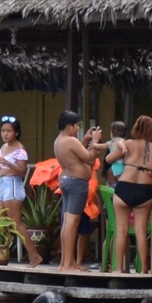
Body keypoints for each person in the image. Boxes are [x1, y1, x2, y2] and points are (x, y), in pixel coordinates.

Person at [0, 115, 42, 266]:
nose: (5, 134)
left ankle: (35, 256)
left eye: (8, 131)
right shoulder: (3, 148)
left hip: (13, 185)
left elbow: (22, 171)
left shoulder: (20, 150)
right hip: (3, 185)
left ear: (16, 133)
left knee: (16, 223)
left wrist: (7, 162)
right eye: (3, 131)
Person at [53, 110, 107, 271]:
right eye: (77, 126)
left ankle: (65, 262)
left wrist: (84, 140)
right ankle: (69, 263)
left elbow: (77, 154)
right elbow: (90, 159)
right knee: (72, 223)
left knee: (67, 223)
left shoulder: (60, 141)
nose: (78, 128)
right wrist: (96, 142)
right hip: (77, 184)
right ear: (69, 126)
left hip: (67, 181)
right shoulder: (70, 140)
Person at [111, 115, 152, 274]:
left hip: (124, 188)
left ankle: (119, 268)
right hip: (144, 191)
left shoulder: (127, 144)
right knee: (141, 231)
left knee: (121, 230)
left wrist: (118, 146)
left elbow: (109, 159)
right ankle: (144, 269)